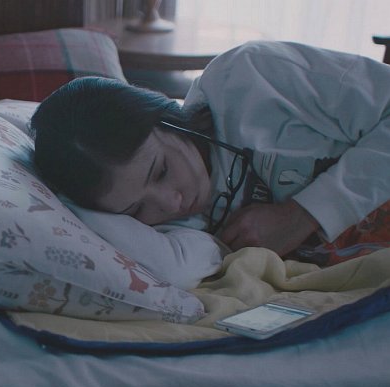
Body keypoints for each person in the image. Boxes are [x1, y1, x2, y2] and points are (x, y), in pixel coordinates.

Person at [30, 40, 390, 266]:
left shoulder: (252, 77)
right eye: (135, 209)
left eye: (161, 170)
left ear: (165, 117)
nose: (172, 203)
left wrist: (301, 214)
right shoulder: (172, 229)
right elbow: (175, 271)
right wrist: (67, 206)